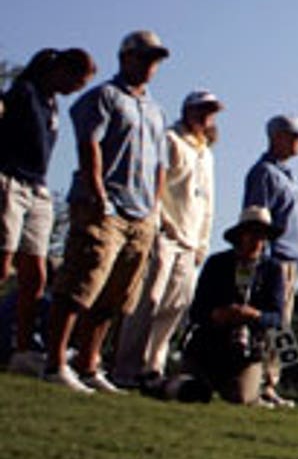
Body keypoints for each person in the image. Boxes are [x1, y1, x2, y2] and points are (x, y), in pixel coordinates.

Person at [43, 32, 170, 394]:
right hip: (106, 205)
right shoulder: (103, 97)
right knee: (80, 284)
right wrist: (97, 191)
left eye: (155, 60)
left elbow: (160, 164)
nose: (150, 66)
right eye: (143, 57)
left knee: (116, 295)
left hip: (141, 211)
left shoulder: (157, 111)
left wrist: (154, 206)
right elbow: (90, 143)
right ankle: (55, 362)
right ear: (125, 57)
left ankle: (88, 363)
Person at [111, 89, 222, 388]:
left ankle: (153, 366)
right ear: (187, 111)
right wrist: (163, 224)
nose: (206, 117)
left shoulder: (206, 153)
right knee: (148, 300)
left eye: (210, 112)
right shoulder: (171, 140)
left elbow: (207, 202)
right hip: (166, 233)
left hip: (190, 239)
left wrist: (202, 241)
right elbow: (156, 186)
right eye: (201, 110)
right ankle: (126, 367)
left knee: (175, 305)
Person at [3, 49, 97, 374]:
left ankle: (23, 349)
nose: (75, 90)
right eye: (75, 81)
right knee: (3, 264)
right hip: (10, 179)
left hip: (38, 186)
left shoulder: (53, 103)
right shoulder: (23, 92)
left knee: (36, 274)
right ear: (61, 70)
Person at [180, 206, 283, 405]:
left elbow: (277, 317)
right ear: (240, 235)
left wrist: (254, 315)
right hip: (209, 344)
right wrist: (217, 314)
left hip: (248, 350)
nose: (257, 241)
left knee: (241, 396)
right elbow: (196, 311)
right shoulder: (216, 263)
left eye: (262, 236)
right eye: (252, 234)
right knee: (190, 389)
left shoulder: (272, 270)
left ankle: (262, 385)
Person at [244, 114, 298, 408]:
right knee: (270, 322)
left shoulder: (284, 173)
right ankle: (259, 383)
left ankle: (271, 382)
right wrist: (261, 258)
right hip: (276, 258)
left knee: (282, 324)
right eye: (295, 136)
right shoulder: (264, 173)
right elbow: (258, 216)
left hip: (291, 258)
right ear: (278, 137)